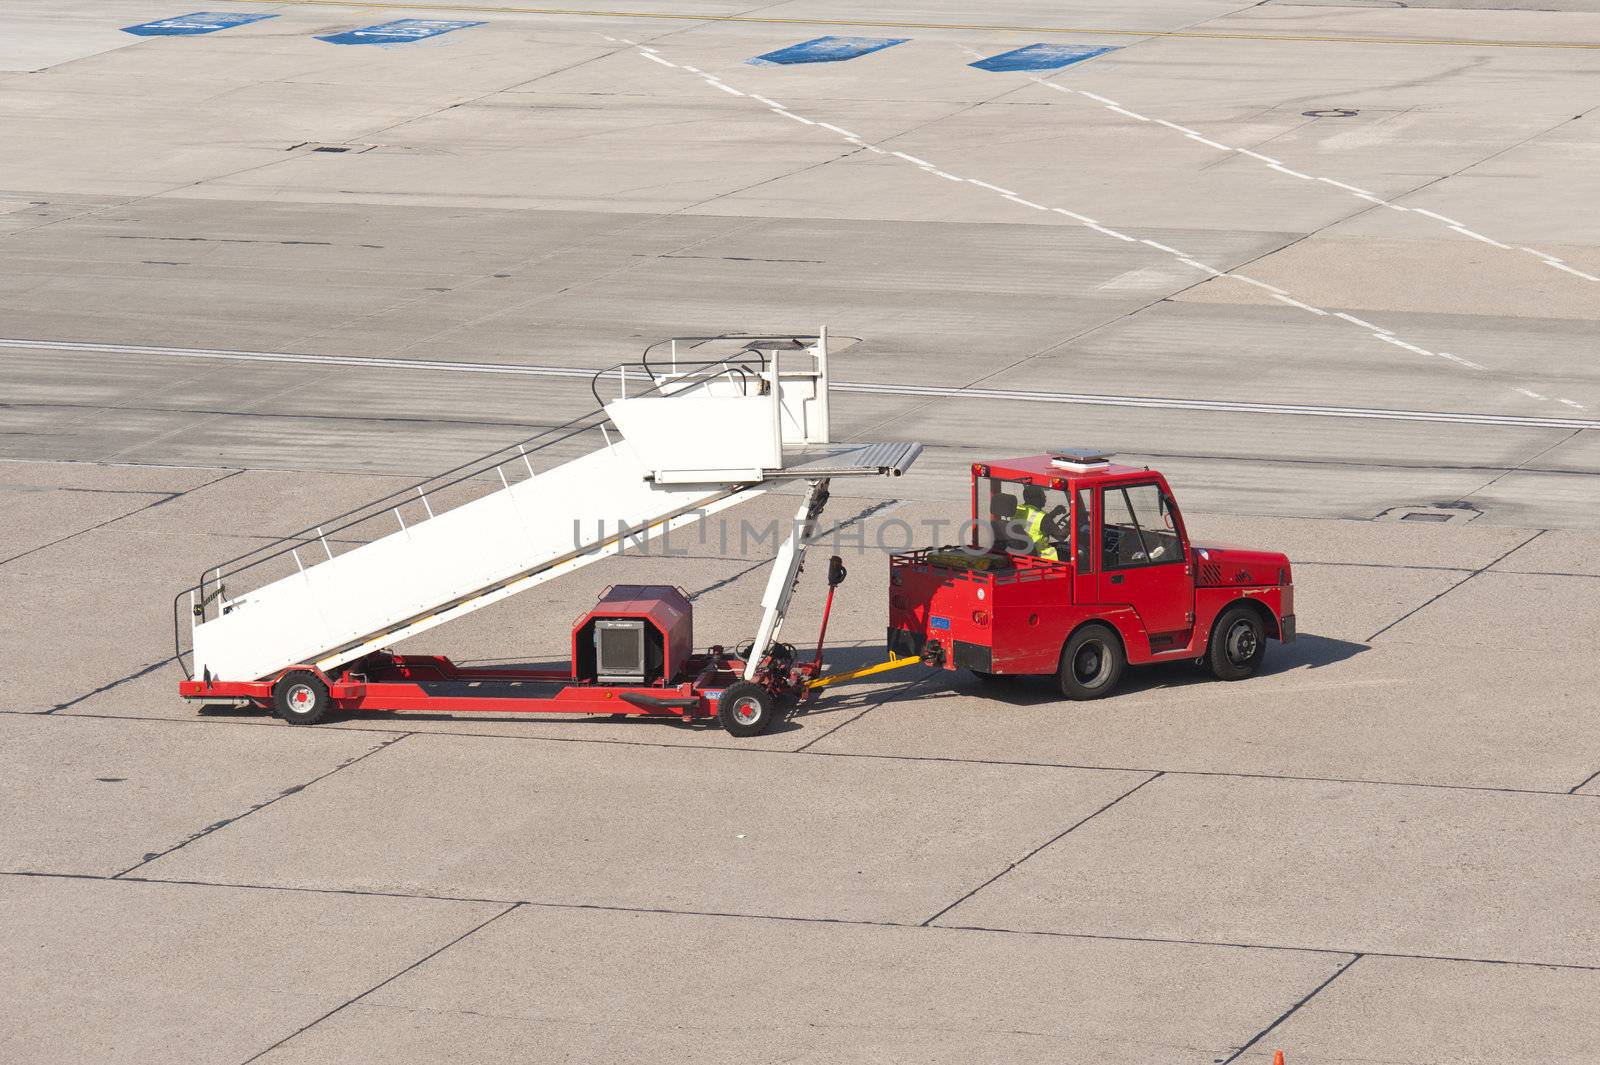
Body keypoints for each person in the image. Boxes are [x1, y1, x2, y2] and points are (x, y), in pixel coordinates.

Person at [1012, 484, 1060, 561]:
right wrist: (1070, 523)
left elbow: (1029, 522)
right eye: (1042, 495)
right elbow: (1061, 536)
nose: (1045, 497)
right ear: (1035, 499)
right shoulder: (1042, 517)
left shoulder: (1017, 509)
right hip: (1042, 558)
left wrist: (1054, 513)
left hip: (1021, 552)